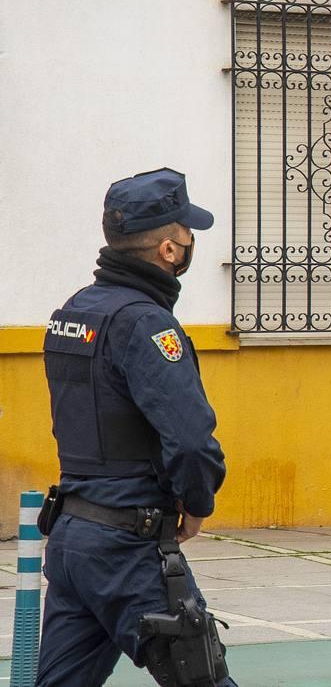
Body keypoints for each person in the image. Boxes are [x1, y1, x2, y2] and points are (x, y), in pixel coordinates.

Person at [37, 168, 236, 687]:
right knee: (204, 678)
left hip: (72, 538)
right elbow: (191, 440)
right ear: (169, 250)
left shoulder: (74, 312)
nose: (193, 241)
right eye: (188, 233)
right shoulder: (145, 323)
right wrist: (197, 502)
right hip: (127, 545)